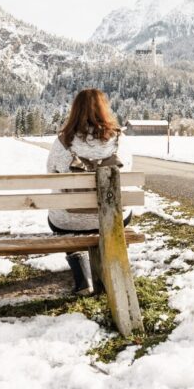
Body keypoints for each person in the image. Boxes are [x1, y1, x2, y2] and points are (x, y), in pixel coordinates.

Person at [46, 88, 132, 295]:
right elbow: (127, 171)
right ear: (105, 110)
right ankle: (108, 268)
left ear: (75, 110)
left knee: (60, 215)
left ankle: (80, 271)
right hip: (111, 219)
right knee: (120, 214)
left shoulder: (62, 141)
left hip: (67, 221)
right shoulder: (119, 140)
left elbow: (51, 174)